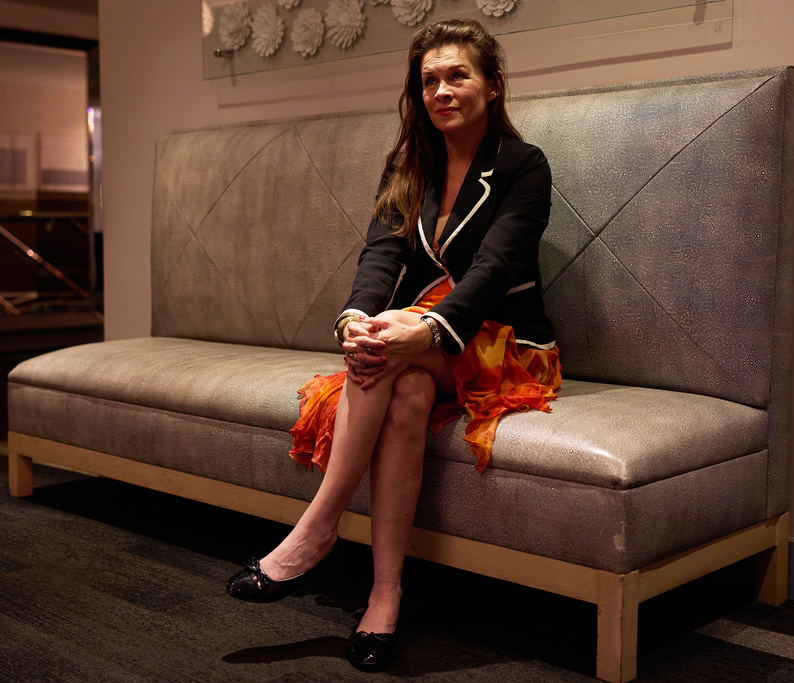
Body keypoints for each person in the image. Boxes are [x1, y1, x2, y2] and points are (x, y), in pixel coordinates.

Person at [226, 18, 561, 671]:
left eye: (457, 75)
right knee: (402, 385)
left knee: (388, 356)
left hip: (505, 342)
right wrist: (356, 317)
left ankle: (318, 527)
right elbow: (380, 255)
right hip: (427, 340)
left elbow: (495, 269)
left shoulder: (524, 166)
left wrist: (425, 329)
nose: (442, 91)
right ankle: (384, 595)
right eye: (429, 80)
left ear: (493, 85)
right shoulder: (409, 164)